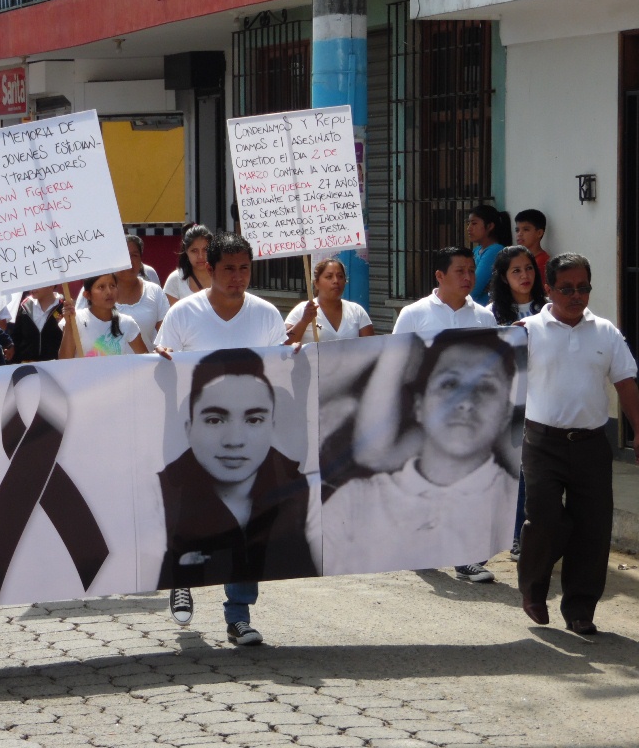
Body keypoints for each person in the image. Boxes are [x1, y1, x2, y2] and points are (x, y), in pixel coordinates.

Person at [154, 230, 290, 646]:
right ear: (208, 269)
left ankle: (239, 615)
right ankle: (183, 578)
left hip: (248, 440)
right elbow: (162, 376)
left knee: (248, 524)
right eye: (228, 268)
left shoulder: (267, 314)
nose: (237, 277)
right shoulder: (184, 315)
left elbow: (279, 371)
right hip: (194, 435)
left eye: (244, 268)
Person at [325, 329, 519, 575]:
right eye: (450, 384)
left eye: (486, 387)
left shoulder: (508, 496)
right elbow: (371, 453)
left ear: (506, 414)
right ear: (419, 404)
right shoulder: (354, 502)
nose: (466, 402)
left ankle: (465, 559)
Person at [518, 253, 639, 635]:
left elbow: (625, 384)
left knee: (593, 527)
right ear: (549, 289)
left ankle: (581, 608)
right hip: (540, 443)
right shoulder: (526, 331)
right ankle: (534, 590)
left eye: (583, 287)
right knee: (545, 520)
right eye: (566, 288)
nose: (576, 295)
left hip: (590, 444)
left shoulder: (605, 332)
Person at [158, 348, 317, 588]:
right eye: (214, 420)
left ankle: (239, 615)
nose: (234, 440)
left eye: (254, 420)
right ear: (189, 428)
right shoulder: (159, 496)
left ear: (272, 427)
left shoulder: (298, 490)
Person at [391, 246, 498, 583]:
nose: (468, 277)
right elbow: (399, 361)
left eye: (472, 271)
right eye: (460, 271)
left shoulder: (484, 317)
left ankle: (465, 557)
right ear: (440, 276)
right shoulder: (414, 314)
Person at [487, 245, 546, 560]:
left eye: (529, 268)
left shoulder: (549, 308)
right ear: (503, 276)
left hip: (546, 399)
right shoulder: (491, 313)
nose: (525, 275)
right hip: (508, 402)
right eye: (516, 270)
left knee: (542, 473)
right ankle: (517, 536)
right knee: (517, 471)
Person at [76, 236, 169, 352]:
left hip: (143, 367)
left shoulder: (155, 292)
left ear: (141, 260)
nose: (129, 261)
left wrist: (162, 349)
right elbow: (78, 329)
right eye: (123, 255)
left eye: (134, 255)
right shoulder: (93, 291)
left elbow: (167, 335)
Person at [285, 258, 373, 344]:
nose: (336, 281)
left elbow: (371, 348)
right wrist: (304, 321)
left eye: (340, 276)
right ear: (316, 283)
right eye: (329, 277)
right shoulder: (302, 310)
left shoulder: (357, 311)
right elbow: (284, 344)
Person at [60, 274, 147, 358]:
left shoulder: (127, 323)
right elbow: (64, 361)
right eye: (101, 287)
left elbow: (147, 361)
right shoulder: (75, 319)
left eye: (112, 286)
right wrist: (69, 323)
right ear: (87, 295)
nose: (109, 292)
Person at [466, 205, 512, 305]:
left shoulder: (495, 251)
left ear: (490, 226)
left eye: (474, 223)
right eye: (468, 223)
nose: (469, 228)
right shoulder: (477, 250)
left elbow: (473, 290)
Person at [11, 286, 64, 363]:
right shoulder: (25, 306)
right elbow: (16, 338)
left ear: (51, 285)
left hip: (56, 366)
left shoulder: (64, 307)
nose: (32, 287)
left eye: (37, 283)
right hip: (27, 367)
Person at [163, 224, 211, 305]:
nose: (200, 256)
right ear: (186, 251)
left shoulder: (224, 277)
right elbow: (170, 316)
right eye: (194, 251)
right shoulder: (176, 279)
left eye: (205, 250)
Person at [515, 209, 550, 280]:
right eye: (517, 230)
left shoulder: (542, 262)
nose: (519, 234)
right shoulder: (519, 259)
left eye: (526, 229)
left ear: (539, 233)